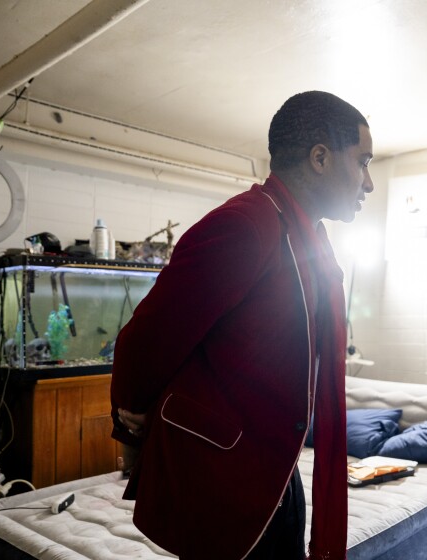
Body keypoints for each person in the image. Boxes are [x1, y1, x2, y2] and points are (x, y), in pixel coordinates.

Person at [110, 90, 374, 560]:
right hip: (224, 477)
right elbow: (142, 342)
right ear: (320, 157)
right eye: (363, 161)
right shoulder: (244, 226)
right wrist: (132, 427)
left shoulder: (309, 241)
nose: (368, 182)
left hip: (277, 469)